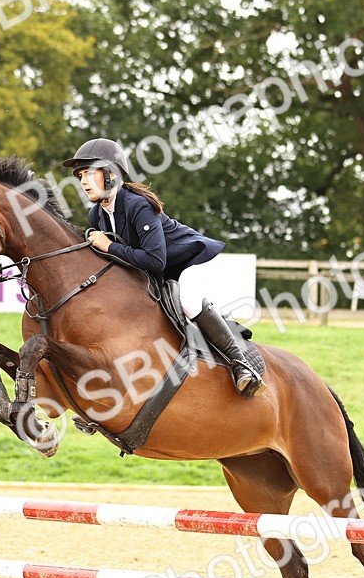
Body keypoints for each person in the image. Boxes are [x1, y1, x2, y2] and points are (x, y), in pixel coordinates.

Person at [62, 138, 263, 397]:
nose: (83, 181)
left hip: (190, 260)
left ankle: (241, 364)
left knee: (188, 301)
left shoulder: (137, 205)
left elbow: (155, 260)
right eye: (80, 176)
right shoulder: (97, 215)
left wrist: (108, 247)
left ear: (111, 175)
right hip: (161, 272)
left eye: (89, 173)